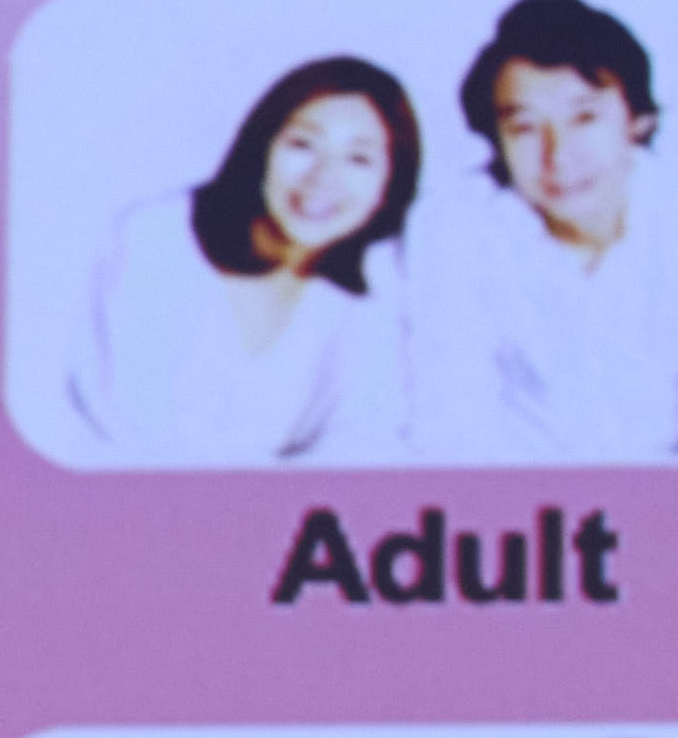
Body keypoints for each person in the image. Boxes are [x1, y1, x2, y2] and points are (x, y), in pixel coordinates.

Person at [408, 0, 678, 459]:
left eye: (584, 118)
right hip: (527, 497)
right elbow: (452, 430)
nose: (558, 155)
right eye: (525, 128)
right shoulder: (458, 229)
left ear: (638, 120)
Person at [68, 57, 419, 463]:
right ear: (262, 145)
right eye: (302, 145)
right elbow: (138, 426)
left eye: (358, 159)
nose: (323, 178)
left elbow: (362, 436)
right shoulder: (158, 235)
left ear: (389, 186)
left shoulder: (368, 292)